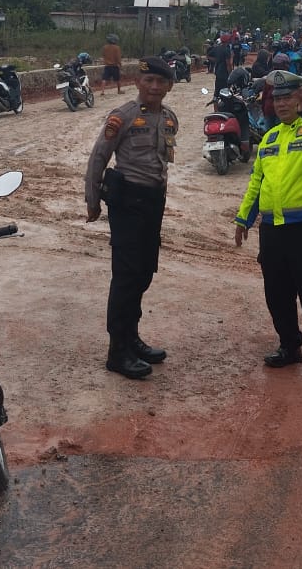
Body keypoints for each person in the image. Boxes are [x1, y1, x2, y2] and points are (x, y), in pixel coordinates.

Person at [233, 69, 302, 385]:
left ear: (301, 98)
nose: (281, 104)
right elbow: (257, 182)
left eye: (288, 97)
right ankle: (289, 345)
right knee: (277, 293)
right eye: (277, 98)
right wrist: (244, 218)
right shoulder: (269, 138)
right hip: (273, 230)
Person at [84, 56, 178, 380]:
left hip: (153, 203)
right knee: (125, 277)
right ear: (137, 82)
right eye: (148, 80)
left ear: (169, 86)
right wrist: (92, 200)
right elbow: (99, 156)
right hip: (127, 203)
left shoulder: (169, 118)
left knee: (143, 273)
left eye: (160, 82)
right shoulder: (122, 116)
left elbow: (162, 162)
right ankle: (117, 351)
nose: (154, 86)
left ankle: (132, 339)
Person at [101, 33, 123, 98]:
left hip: (107, 66)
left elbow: (103, 55)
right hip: (115, 66)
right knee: (118, 79)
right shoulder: (117, 48)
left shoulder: (104, 47)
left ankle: (102, 91)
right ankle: (119, 90)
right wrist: (120, 64)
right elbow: (118, 57)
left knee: (104, 78)